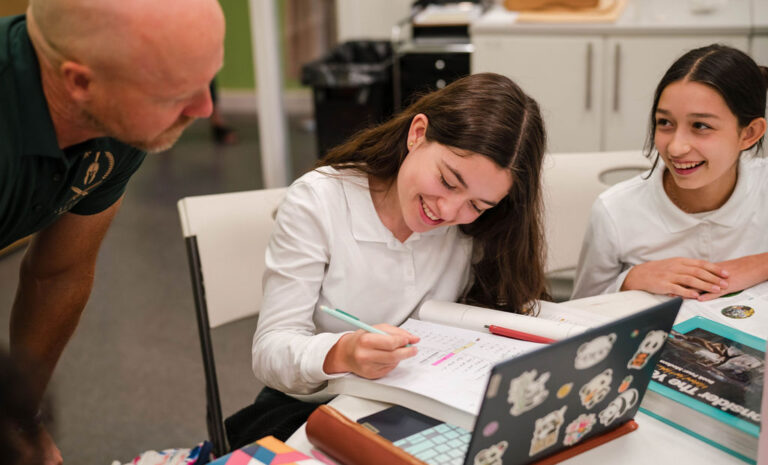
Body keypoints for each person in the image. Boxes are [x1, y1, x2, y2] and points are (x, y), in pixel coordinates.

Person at [239, 72, 549, 443]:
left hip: (423, 407)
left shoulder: (480, 229)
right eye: (448, 182)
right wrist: (343, 352)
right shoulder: (320, 201)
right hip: (314, 407)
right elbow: (270, 349)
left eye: (477, 205)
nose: (449, 211)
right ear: (418, 133)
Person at [0, 0, 225, 462]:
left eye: (208, 77)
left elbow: (58, 272)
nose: (205, 108)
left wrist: (22, 421)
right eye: (174, 91)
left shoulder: (119, 120)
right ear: (79, 82)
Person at [572, 44, 768, 300]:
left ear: (749, 134)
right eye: (665, 122)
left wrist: (760, 264)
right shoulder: (614, 211)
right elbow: (580, 312)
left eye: (700, 125)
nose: (676, 147)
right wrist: (630, 280)